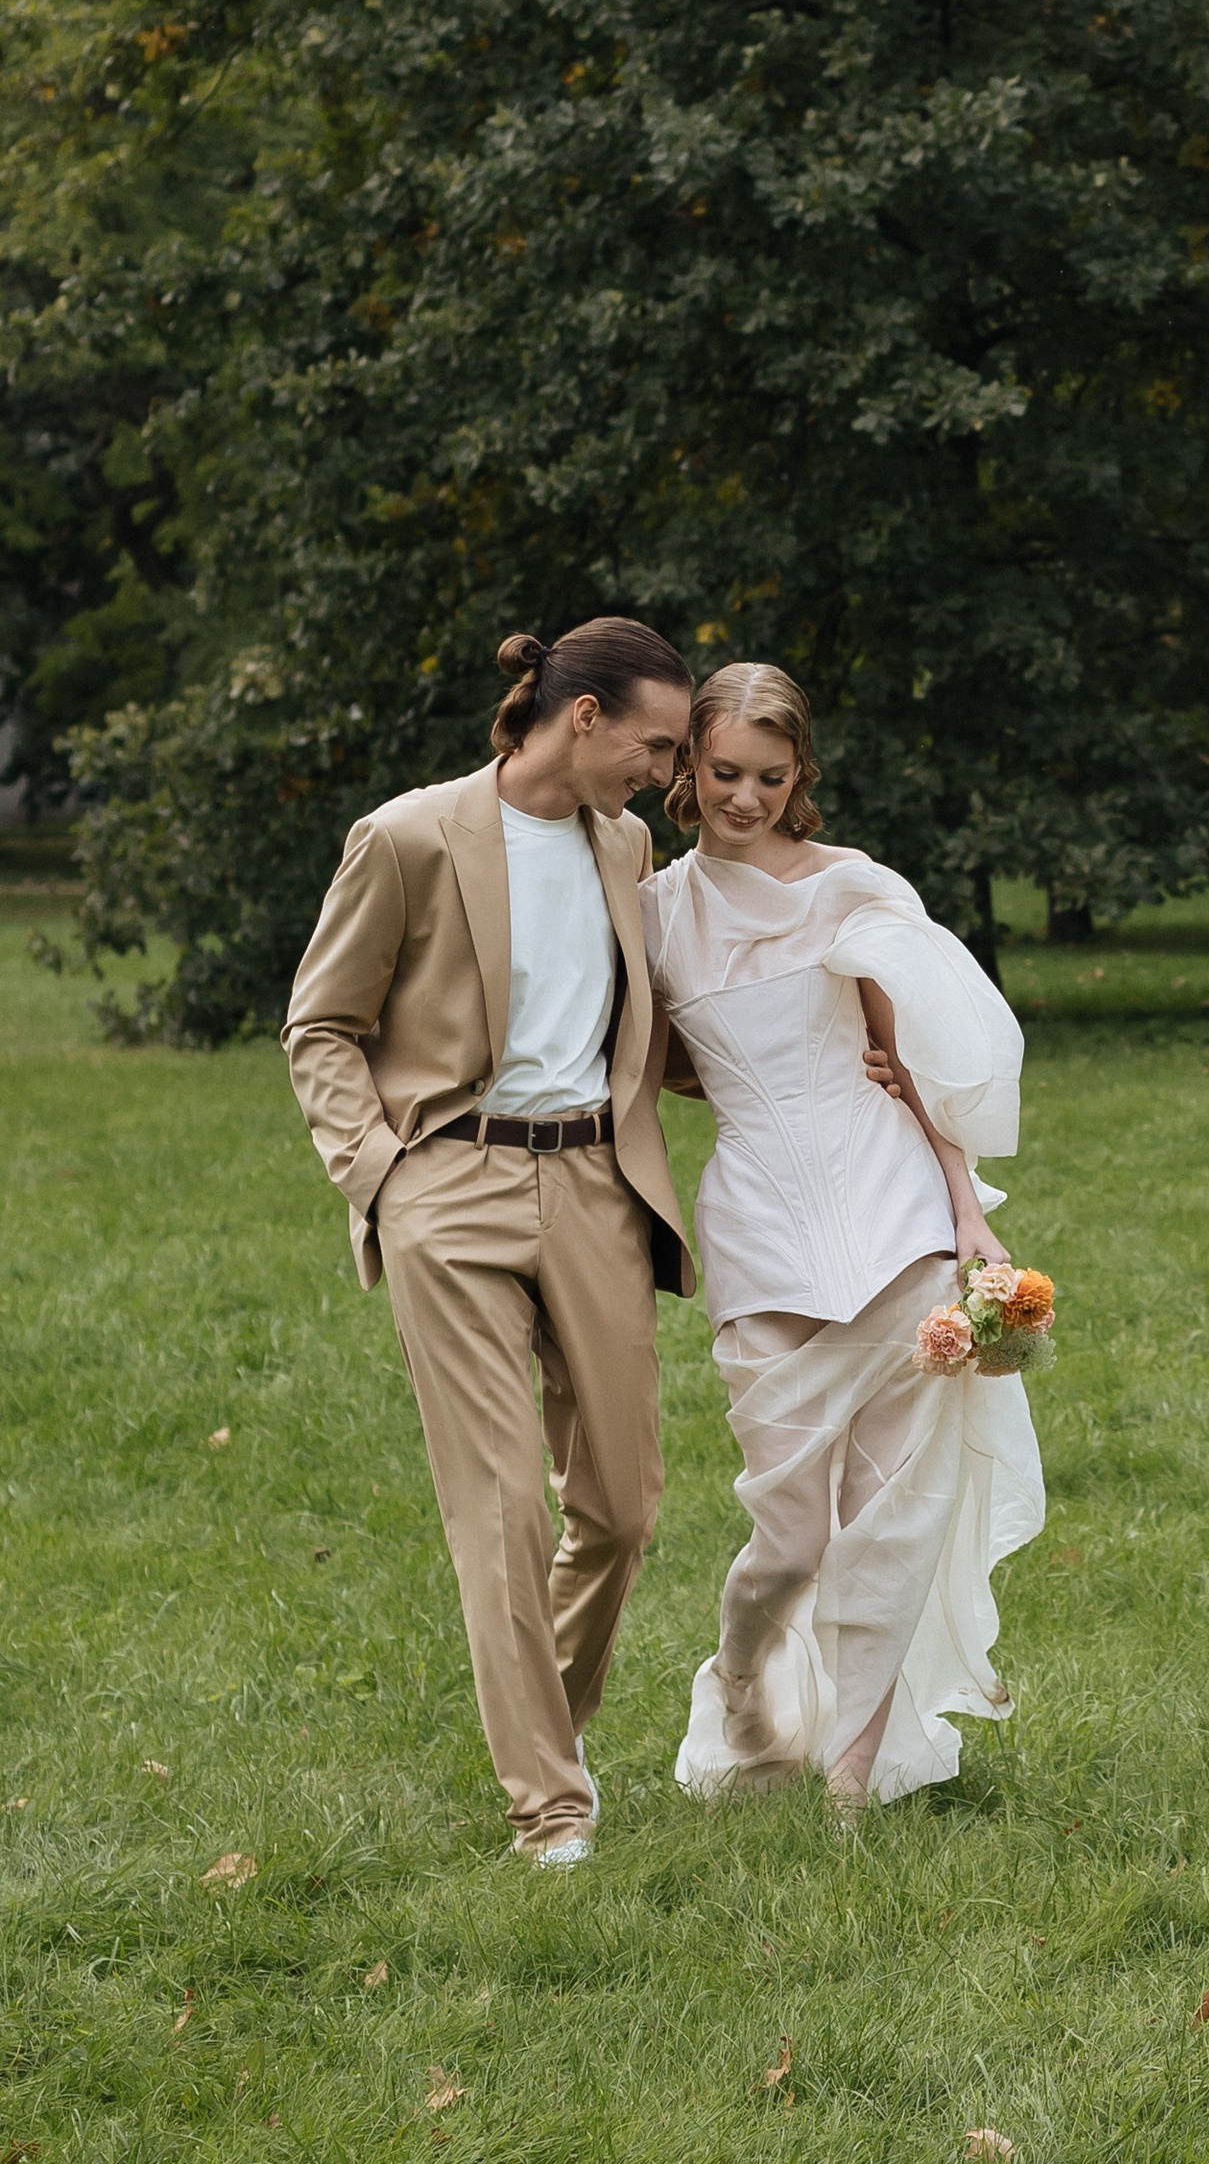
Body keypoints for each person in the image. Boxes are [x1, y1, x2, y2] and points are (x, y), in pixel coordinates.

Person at [282, 616, 698, 1864]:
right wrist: (383, 1176)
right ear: (583, 718)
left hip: (595, 1189)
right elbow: (321, 1027)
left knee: (620, 1509)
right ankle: (549, 1808)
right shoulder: (410, 837)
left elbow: (653, 1029)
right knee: (502, 1508)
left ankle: (543, 1736)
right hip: (449, 1188)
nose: (666, 776)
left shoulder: (624, 847)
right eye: (657, 743)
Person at [643, 660, 1044, 1813]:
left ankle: (852, 1786)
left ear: (799, 775)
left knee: (891, 1518)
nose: (744, 798)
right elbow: (653, 1059)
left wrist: (967, 1219)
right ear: (689, 766)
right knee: (787, 1537)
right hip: (760, 1234)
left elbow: (912, 1067)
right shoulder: (657, 911)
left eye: (771, 777)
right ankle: (750, 1717)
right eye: (724, 772)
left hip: (897, 1218)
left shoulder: (852, 889)